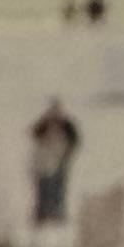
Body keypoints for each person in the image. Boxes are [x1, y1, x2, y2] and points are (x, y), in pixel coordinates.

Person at [28, 98, 82, 229]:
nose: (55, 114)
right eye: (53, 110)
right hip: (44, 162)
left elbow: (75, 140)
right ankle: (41, 215)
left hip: (61, 160)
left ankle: (57, 214)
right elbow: (34, 134)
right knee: (43, 188)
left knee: (59, 188)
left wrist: (68, 153)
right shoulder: (44, 123)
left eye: (57, 110)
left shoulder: (66, 124)